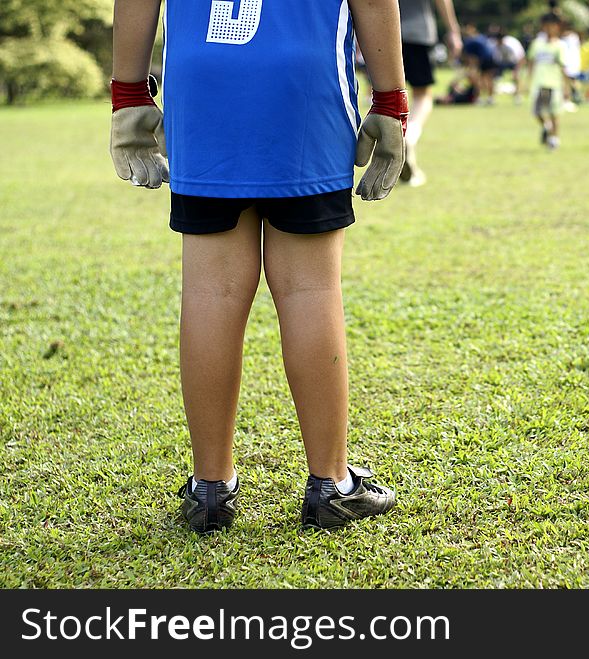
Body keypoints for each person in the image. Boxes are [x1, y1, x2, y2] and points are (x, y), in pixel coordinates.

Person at [109, 0, 408, 533]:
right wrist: (391, 99)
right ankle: (331, 485)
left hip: (202, 84)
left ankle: (210, 488)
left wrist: (128, 92)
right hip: (305, 81)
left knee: (209, 292)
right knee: (310, 290)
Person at [399, 0, 463, 186]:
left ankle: (395, 154)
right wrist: (453, 30)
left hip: (384, 35)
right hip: (418, 33)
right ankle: (409, 137)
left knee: (391, 96)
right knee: (423, 96)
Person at [527, 13, 567, 150]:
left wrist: (567, 86)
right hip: (539, 83)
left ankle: (554, 139)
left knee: (554, 112)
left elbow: (563, 67)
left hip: (554, 83)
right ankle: (547, 127)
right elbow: (531, 63)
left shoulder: (560, 46)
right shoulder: (537, 44)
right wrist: (528, 80)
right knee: (537, 112)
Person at [461, 24, 499, 104]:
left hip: (484, 60)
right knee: (488, 79)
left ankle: (479, 98)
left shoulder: (469, 41)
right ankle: (490, 98)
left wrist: (472, 68)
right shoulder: (482, 37)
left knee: (479, 79)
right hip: (492, 58)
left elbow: (472, 57)